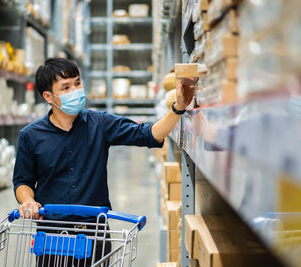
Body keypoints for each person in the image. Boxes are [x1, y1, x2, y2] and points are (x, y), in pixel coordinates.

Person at [12, 57, 194, 266]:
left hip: (94, 232)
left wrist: (178, 108)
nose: (76, 90)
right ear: (48, 96)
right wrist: (28, 201)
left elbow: (147, 134)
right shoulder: (31, 135)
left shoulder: (100, 124)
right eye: (66, 87)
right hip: (53, 234)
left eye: (77, 83)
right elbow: (23, 181)